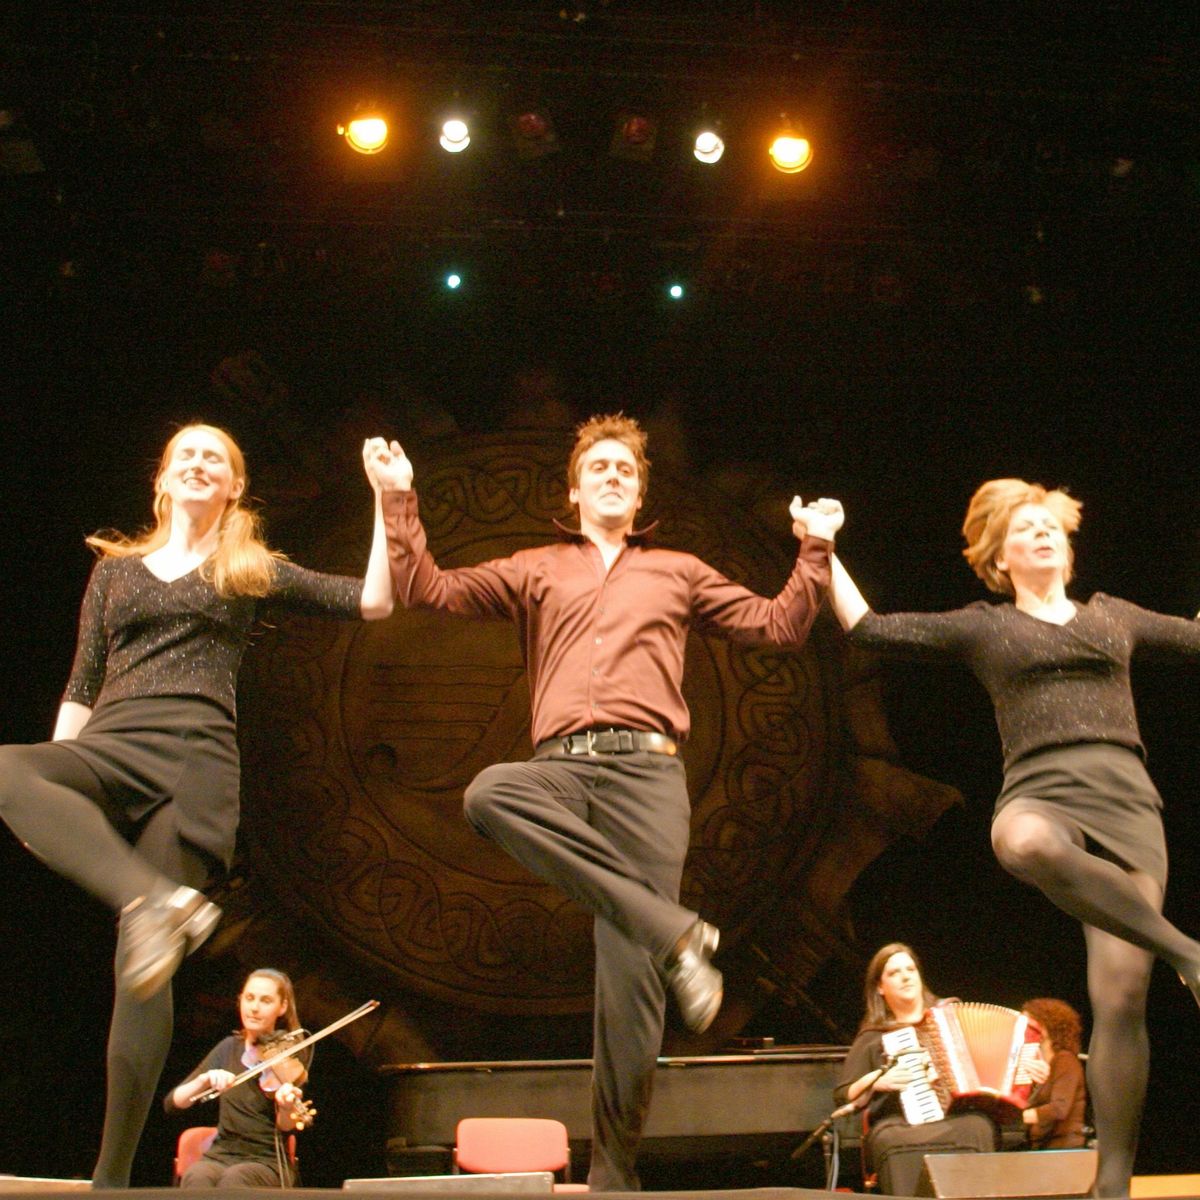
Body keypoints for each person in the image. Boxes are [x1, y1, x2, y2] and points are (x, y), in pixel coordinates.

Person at [365, 415, 842, 1190]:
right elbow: (427, 588)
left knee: (630, 985)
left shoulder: (677, 571)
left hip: (648, 778)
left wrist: (815, 546)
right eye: (600, 468)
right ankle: (675, 931)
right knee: (491, 792)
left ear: (640, 494)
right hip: (563, 766)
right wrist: (396, 497)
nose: (614, 476)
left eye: (626, 469)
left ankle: (614, 1178)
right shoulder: (537, 567)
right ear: (576, 490)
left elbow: (780, 625)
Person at [0, 424, 394, 1187]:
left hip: (192, 763)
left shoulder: (245, 567)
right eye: (187, 453)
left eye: (216, 456)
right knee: (9, 771)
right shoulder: (116, 572)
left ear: (234, 486)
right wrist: (59, 790)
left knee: (140, 974)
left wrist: (387, 501)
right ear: (163, 479)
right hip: (111, 745)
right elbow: (82, 681)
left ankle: (111, 1180)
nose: (199, 462)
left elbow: (373, 601)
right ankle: (155, 900)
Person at [816, 478, 1200, 1198]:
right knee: (1019, 842)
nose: (1042, 534)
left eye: (1050, 526)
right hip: (1041, 788)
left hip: (1125, 799)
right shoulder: (985, 627)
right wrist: (820, 546)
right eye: (1025, 529)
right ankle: (1189, 953)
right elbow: (867, 628)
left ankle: (1112, 1186)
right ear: (1000, 557)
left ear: (1068, 549)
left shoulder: (1114, 615)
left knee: (1120, 998)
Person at [833, 943, 998, 1197]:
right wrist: (877, 1080)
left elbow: (992, 1059)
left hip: (957, 1118)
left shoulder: (951, 1017)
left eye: (910, 969)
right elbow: (844, 1094)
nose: (905, 976)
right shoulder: (873, 1036)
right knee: (889, 1139)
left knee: (980, 1127)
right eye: (894, 972)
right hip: (900, 1125)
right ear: (880, 987)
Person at [167, 968, 311, 1187]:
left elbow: (287, 1126)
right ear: (240, 1000)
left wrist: (286, 1107)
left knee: (236, 1179)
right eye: (249, 998)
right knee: (197, 1176)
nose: (254, 1008)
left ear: (282, 1007)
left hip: (266, 1160)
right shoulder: (228, 1047)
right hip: (220, 1154)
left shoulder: (287, 1055)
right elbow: (173, 1103)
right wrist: (205, 1079)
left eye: (265, 1001)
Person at [1021, 997, 1087, 1150]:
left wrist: (1019, 1118)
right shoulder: (1040, 1064)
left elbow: (1059, 1109)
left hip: (1062, 1148)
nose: (1024, 1029)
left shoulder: (1065, 1060)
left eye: (1028, 1024)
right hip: (1043, 1145)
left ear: (1047, 1025)